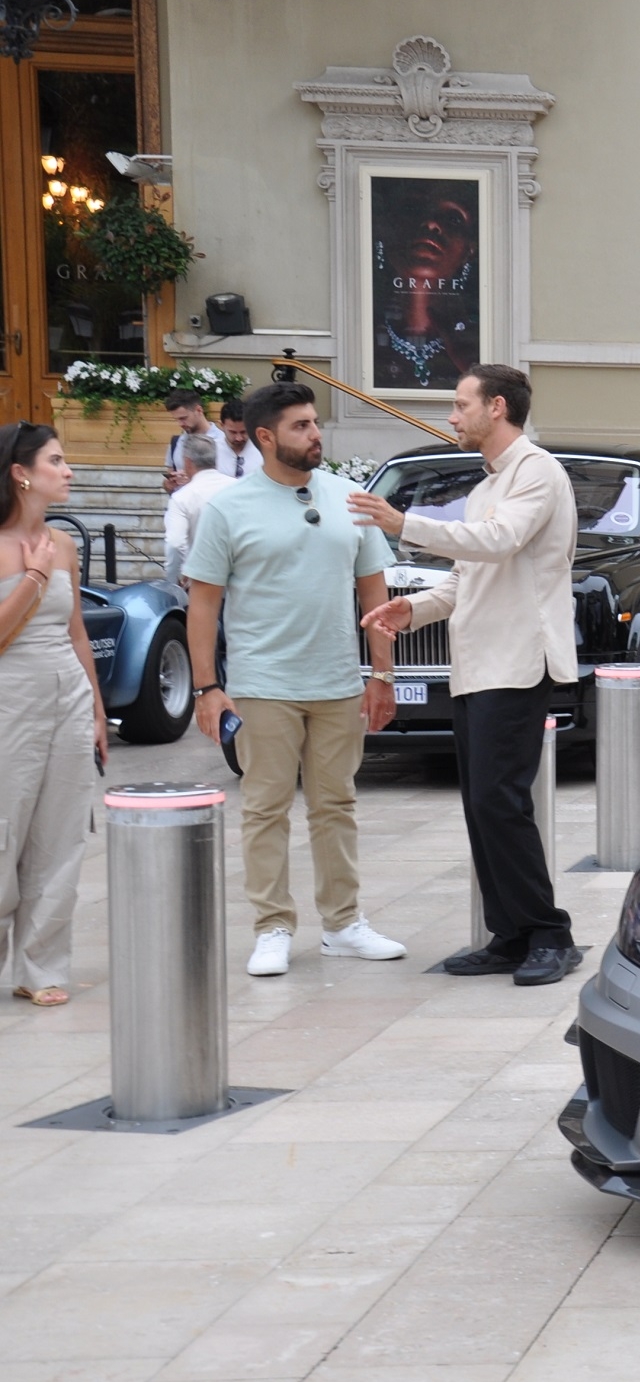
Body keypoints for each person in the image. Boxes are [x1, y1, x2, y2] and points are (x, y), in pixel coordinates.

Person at [351, 364, 580, 983]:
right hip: (478, 665)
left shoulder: (537, 470)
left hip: (518, 663)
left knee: (502, 804)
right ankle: (510, 935)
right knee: (482, 806)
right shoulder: (486, 486)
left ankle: (550, 934)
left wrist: (404, 524)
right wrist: (413, 607)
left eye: (459, 405)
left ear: (497, 407)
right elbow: (466, 575)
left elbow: (499, 541)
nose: (451, 417)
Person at [185, 384, 407, 977]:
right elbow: (202, 605)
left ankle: (342, 924)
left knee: (337, 804)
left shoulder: (348, 497)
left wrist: (381, 672)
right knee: (265, 807)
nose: (316, 435)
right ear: (265, 438)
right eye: (302, 426)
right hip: (262, 684)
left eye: (316, 423)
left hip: (337, 679)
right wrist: (208, 689)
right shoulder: (228, 508)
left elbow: (375, 594)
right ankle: (273, 927)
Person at [0, 424, 107, 1007]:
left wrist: (94, 707)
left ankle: (42, 967)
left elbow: (77, 634)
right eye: (56, 460)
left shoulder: (63, 542)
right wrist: (35, 576)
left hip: (65, 692)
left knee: (61, 833)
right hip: (7, 697)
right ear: (21, 472)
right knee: (4, 830)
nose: (67, 470)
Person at [160, 431, 234, 578]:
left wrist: (173, 580)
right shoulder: (239, 488)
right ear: (215, 459)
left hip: (201, 580)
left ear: (187, 462)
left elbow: (175, 544)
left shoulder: (182, 498)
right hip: (240, 579)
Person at [159, 389, 214, 495]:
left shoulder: (222, 440)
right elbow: (168, 479)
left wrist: (192, 480)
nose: (180, 423)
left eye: (183, 418)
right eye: (177, 419)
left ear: (198, 410)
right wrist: (169, 484)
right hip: (181, 505)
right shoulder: (176, 442)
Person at [212, 399, 256, 479]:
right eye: (233, 432)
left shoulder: (263, 450)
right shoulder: (211, 450)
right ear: (221, 426)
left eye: (243, 432)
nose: (239, 438)